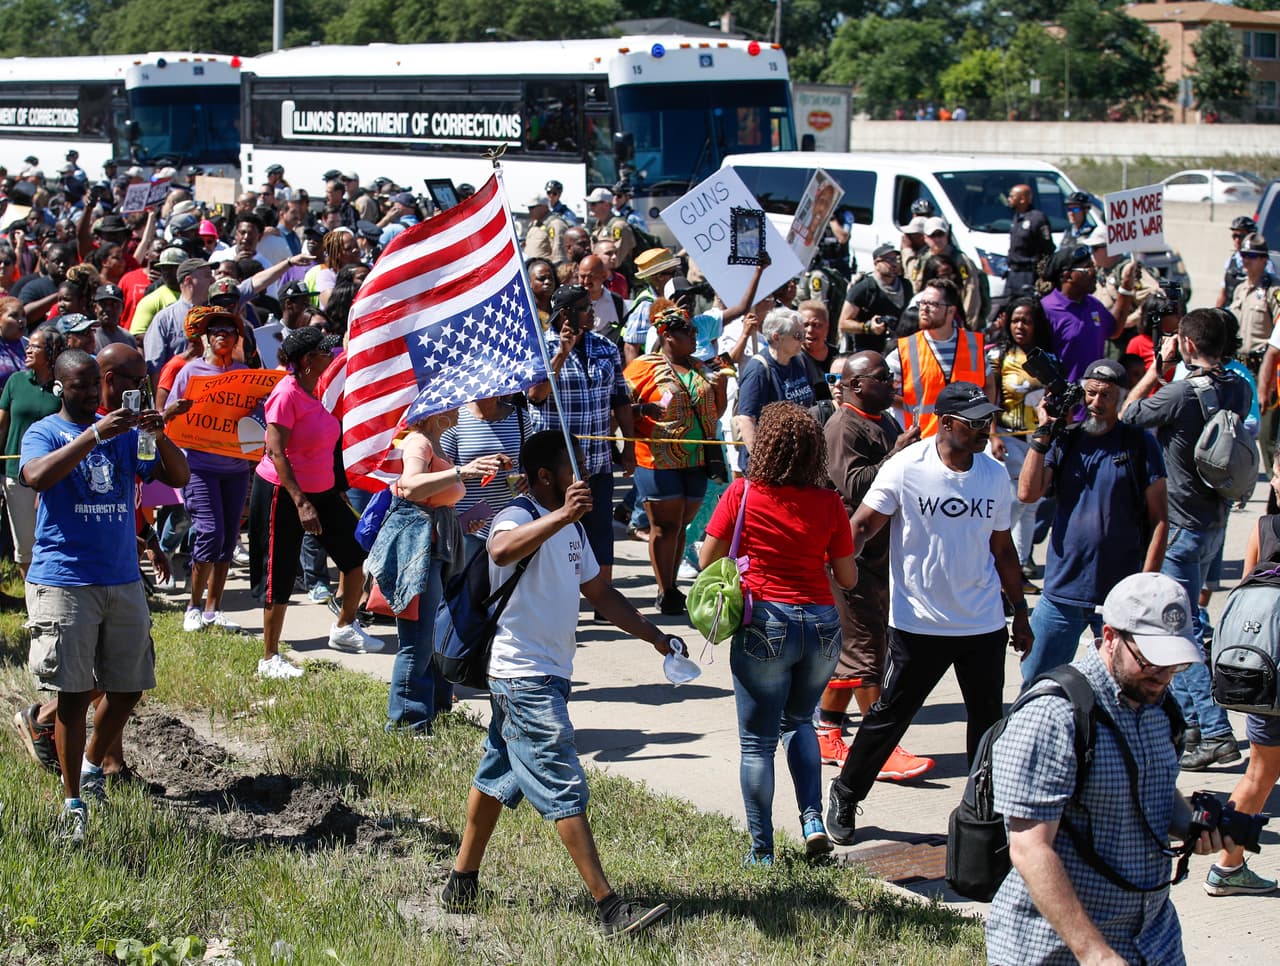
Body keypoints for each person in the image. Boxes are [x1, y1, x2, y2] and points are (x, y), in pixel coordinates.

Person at [442, 431, 678, 937]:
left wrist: (655, 637)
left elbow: (602, 595)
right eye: (575, 470)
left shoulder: (573, 530)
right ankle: (611, 909)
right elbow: (500, 551)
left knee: (496, 775)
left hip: (548, 673)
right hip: (522, 674)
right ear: (547, 477)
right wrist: (562, 516)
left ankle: (460, 881)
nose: (585, 477)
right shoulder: (516, 515)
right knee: (562, 782)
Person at [987, 571, 1238, 965]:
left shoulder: (1160, 706)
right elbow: (1029, 848)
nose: (1163, 675)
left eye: (1174, 663)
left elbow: (1154, 791)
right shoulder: (1053, 716)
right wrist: (1094, 953)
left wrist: (1193, 824)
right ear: (1109, 637)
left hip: (1153, 941)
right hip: (1059, 951)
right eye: (1151, 660)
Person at [826, 382, 1034, 845]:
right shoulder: (907, 466)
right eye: (974, 423)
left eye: (987, 421)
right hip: (918, 623)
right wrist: (836, 573)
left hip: (981, 623)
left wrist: (1020, 613)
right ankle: (846, 792)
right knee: (889, 716)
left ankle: (982, 813)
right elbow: (862, 525)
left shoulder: (993, 474)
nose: (984, 429)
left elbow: (1003, 550)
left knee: (986, 722)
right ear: (946, 423)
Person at [20, 347, 188, 840]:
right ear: (61, 387)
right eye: (81, 386)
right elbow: (36, 476)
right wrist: (94, 435)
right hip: (65, 578)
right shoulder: (46, 432)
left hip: (121, 578)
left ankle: (92, 767)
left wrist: (157, 434)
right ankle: (73, 802)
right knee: (73, 695)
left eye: (96, 384)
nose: (92, 392)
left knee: (129, 684)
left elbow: (177, 477)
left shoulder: (124, 433)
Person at [698, 402, 856, 863]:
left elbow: (707, 559)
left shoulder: (743, 493)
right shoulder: (829, 503)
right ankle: (812, 821)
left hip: (765, 621)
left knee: (757, 743)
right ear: (814, 451)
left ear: (764, 445)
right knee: (800, 721)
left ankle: (762, 850)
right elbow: (847, 578)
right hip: (822, 625)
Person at [1122, 308, 1250, 771]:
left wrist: (1157, 369)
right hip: (1214, 520)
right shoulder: (1238, 385)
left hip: (1180, 526)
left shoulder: (1179, 392)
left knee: (1181, 631)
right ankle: (1192, 725)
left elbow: (1128, 415)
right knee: (1189, 620)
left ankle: (1215, 732)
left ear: (1188, 345)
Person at [814, 352, 931, 779]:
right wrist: (897, 454)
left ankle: (827, 730)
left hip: (880, 553)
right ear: (857, 384)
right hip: (850, 553)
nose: (892, 381)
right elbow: (854, 485)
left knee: (861, 644)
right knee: (867, 647)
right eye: (883, 377)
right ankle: (880, 748)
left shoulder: (884, 420)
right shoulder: (842, 426)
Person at [1018, 358, 1168, 683]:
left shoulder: (1140, 443)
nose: (1096, 402)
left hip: (1120, 595)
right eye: (1091, 393)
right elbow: (1028, 493)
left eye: (1106, 395)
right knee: (1036, 682)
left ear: (1120, 398)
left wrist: (1146, 585)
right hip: (1062, 592)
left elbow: (1160, 520)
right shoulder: (1065, 439)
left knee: (1125, 685)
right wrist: (1043, 432)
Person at [248, 326, 384, 680]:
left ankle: (344, 628)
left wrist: (335, 489)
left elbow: (325, 447)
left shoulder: (317, 392)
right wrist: (301, 503)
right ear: (308, 360)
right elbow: (276, 452)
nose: (332, 356)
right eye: (326, 352)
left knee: (356, 555)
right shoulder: (286, 394)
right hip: (283, 493)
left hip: (322, 492)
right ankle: (269, 657)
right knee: (279, 572)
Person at [374, 409, 508, 734]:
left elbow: (433, 501)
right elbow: (410, 487)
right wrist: (462, 471)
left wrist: (461, 523)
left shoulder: (437, 443)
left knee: (436, 633)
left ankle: (435, 709)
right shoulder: (418, 442)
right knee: (418, 639)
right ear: (436, 413)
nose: (459, 409)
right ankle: (407, 724)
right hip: (420, 553)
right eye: (453, 406)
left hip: (439, 547)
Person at [1203, 460, 1280, 897]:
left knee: (1258, 774)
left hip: (1263, 680)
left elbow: (1245, 592)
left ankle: (1228, 867)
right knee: (1260, 773)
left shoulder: (1264, 529)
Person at [527, 285, 635, 591]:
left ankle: (603, 603)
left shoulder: (605, 347)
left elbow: (620, 400)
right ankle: (556, 598)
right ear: (566, 314)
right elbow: (535, 395)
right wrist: (562, 353)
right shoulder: (541, 346)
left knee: (599, 536)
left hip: (596, 464)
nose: (592, 312)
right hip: (555, 470)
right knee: (555, 536)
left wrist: (629, 447)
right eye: (586, 308)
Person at [625, 300, 727, 613]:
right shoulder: (643, 367)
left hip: (696, 459)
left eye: (695, 332)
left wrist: (721, 386)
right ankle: (664, 589)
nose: (695, 337)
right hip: (657, 460)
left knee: (681, 525)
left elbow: (715, 412)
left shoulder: (700, 368)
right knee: (664, 527)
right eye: (689, 332)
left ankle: (671, 584)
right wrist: (643, 410)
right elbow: (619, 408)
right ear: (668, 335)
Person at [169, 307, 255, 634]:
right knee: (209, 532)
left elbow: (256, 417)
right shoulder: (190, 372)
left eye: (228, 331)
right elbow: (167, 417)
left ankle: (213, 609)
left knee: (228, 538)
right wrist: (174, 410)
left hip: (235, 468)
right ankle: (193, 606)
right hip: (200, 467)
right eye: (215, 330)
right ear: (205, 337)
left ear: (236, 339)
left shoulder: (245, 374)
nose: (222, 335)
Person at [986, 297, 1053, 585]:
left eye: (1026, 321)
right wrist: (992, 434)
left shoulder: (1048, 357)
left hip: (1039, 439)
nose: (1020, 326)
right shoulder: (999, 356)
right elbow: (990, 399)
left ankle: (1021, 566)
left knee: (1032, 505)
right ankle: (998, 560)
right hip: (1007, 437)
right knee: (1014, 501)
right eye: (1015, 320)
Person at [0, 324, 64, 574]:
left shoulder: (63, 386)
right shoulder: (16, 382)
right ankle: (31, 594)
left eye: (35, 347)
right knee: (26, 545)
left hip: (56, 473)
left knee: (55, 540)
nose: (27, 350)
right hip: (16, 473)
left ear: (51, 352)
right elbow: (2, 425)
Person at [890, 277, 987, 436]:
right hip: (923, 438)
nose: (924, 309)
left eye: (933, 304)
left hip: (968, 438)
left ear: (951, 311)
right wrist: (913, 407)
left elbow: (988, 384)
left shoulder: (973, 345)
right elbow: (884, 391)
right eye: (922, 303)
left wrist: (988, 425)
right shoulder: (906, 348)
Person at [734, 307, 816, 468]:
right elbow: (746, 419)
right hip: (770, 461)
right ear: (777, 337)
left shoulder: (800, 360)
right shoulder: (758, 370)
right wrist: (761, 462)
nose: (803, 340)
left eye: (803, 335)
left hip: (797, 457)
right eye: (798, 336)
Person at [1040, 246, 1122, 382]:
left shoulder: (1093, 305)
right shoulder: (1046, 310)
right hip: (1062, 394)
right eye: (1087, 268)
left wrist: (1126, 289)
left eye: (1093, 267)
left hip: (1093, 394)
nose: (1094, 272)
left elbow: (1114, 330)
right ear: (1068, 276)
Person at [838, 244, 911, 355]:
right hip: (869, 351)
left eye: (895, 259)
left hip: (898, 350)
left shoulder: (906, 286)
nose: (894, 264)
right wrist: (868, 327)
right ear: (876, 263)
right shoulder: (864, 288)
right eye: (888, 260)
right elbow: (843, 323)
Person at [1006, 183, 1054, 300]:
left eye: (1012, 196)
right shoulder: (1017, 217)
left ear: (1022, 199)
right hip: (1013, 273)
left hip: (1028, 274)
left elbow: (1047, 248)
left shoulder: (1037, 218)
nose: (1009, 199)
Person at [1218, 215, 1278, 309]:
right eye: (1234, 236)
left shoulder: (1267, 266)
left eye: (1241, 236)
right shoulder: (1231, 261)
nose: (1237, 240)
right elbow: (1223, 293)